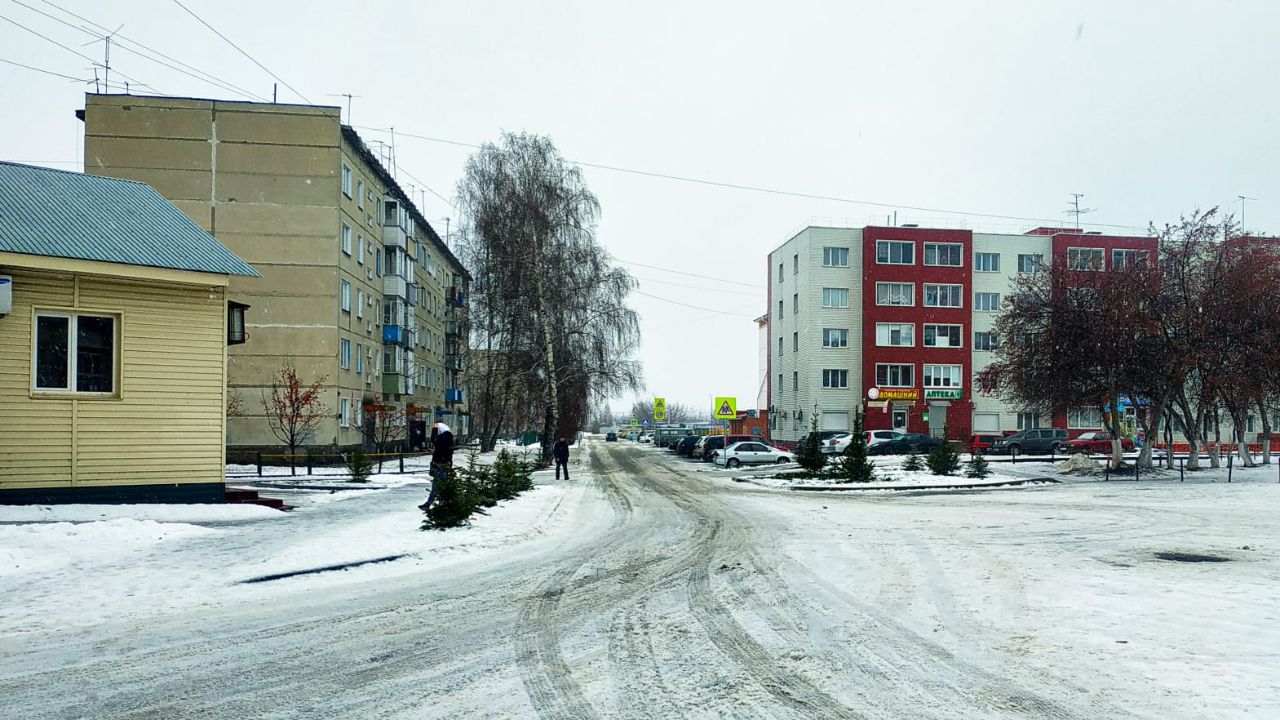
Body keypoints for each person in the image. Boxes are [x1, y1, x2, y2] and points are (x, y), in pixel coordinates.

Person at [419, 422, 454, 510]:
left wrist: (434, 430)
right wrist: (435, 452)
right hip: (442, 464)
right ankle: (434, 503)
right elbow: (442, 450)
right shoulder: (447, 438)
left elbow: (434, 440)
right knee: (439, 485)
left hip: (441, 465)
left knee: (438, 485)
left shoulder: (444, 437)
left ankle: (432, 504)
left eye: (436, 429)